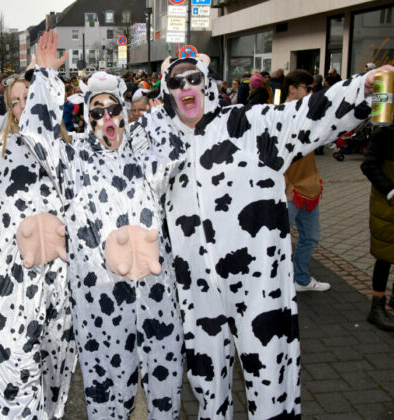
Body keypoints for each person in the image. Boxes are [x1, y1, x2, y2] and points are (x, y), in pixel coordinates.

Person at [133, 53, 392, 419]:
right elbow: (109, 161)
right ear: (166, 91)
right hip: (197, 290)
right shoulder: (157, 143)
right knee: (208, 385)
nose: (186, 87)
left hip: (259, 287)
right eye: (176, 82)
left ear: (206, 82)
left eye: (193, 78)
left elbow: (308, 113)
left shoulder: (247, 124)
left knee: (271, 378)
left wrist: (361, 89)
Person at [19, 31, 184, 419]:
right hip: (100, 303)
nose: (106, 118)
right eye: (96, 111)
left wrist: (173, 84)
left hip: (156, 295)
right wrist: (43, 78)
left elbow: (178, 149)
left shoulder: (144, 153)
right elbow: (36, 137)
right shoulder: (73, 158)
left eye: (113, 110)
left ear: (124, 114)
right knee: (107, 391)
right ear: (86, 117)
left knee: (166, 388)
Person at [0, 76, 77, 420]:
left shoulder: (69, 149)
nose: (24, 106)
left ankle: (52, 412)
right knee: (15, 363)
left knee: (57, 361)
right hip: (12, 281)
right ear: (9, 110)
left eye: (31, 97)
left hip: (61, 279)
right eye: (16, 101)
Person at [281, 70, 330, 292]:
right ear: (293, 88)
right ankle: (277, 284)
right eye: (307, 89)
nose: (311, 92)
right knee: (279, 242)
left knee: (310, 237)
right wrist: (286, 186)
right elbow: (272, 157)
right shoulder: (280, 115)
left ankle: (300, 279)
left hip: (309, 189)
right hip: (289, 192)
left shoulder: (308, 114)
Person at [361, 125, 394, 331]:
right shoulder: (385, 133)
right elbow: (369, 165)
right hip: (387, 205)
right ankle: (377, 305)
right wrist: (391, 191)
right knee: (385, 255)